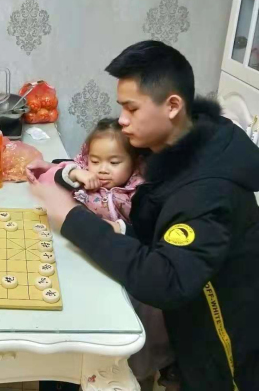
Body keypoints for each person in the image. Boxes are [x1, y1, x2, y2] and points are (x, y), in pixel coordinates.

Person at [29, 40, 259, 390]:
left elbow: (165, 280)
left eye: (131, 109)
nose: (122, 120)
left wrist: (71, 217)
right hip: (185, 320)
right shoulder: (174, 142)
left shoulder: (210, 191)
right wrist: (59, 169)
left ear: (172, 106)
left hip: (224, 342)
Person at [29, 119, 176, 388]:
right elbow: (56, 174)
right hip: (81, 260)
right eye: (95, 161)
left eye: (114, 162)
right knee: (64, 325)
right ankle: (58, 375)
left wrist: (118, 228)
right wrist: (76, 173)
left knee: (112, 337)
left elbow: (148, 234)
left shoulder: (139, 191)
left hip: (120, 271)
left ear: (134, 163)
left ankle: (128, 372)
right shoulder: (85, 176)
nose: (103, 169)